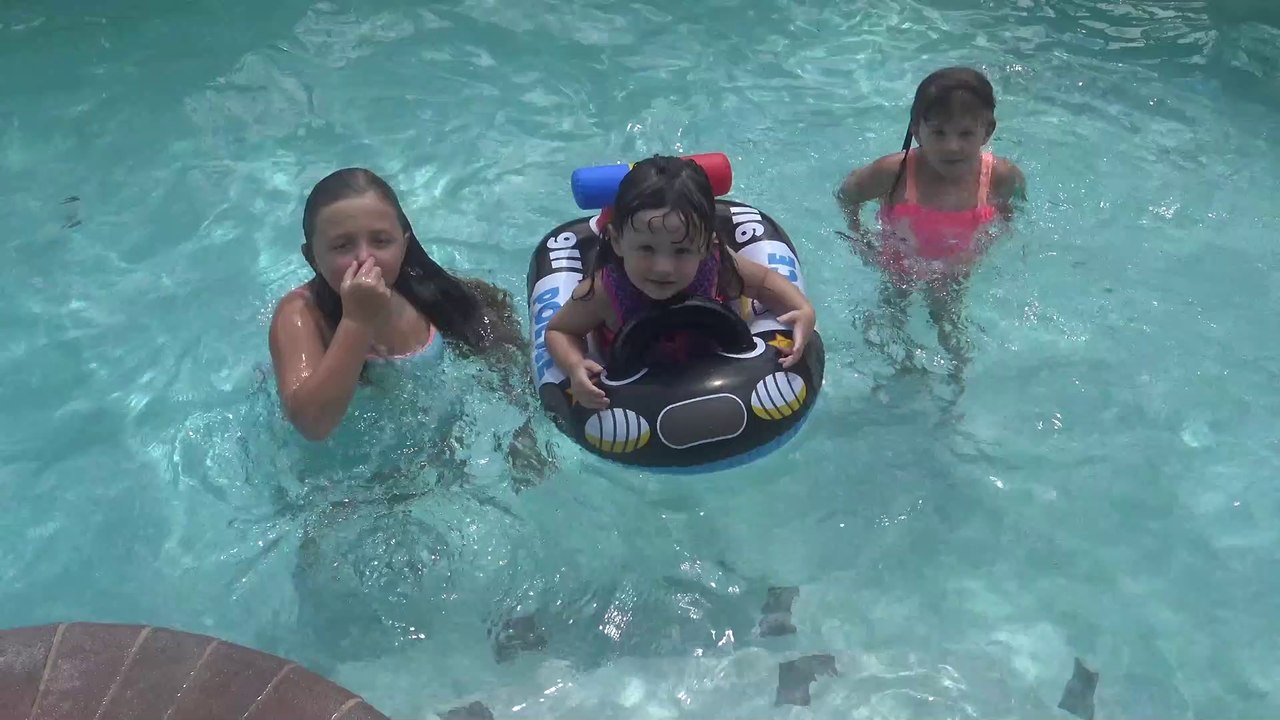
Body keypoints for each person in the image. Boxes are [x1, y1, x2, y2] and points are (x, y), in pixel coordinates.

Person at [268, 167, 525, 442]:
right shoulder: (300, 315)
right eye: (342, 246)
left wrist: (521, 436)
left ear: (403, 245)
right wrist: (357, 321)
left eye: (381, 241)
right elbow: (312, 425)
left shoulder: (427, 290)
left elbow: (506, 359)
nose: (366, 258)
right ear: (312, 258)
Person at [545, 155, 817, 410]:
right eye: (646, 249)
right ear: (616, 241)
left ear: (705, 247)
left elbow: (763, 282)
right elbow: (560, 331)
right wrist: (574, 365)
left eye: (682, 251)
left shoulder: (716, 265)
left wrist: (803, 311)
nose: (663, 268)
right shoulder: (604, 291)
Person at [835, 66, 1026, 386]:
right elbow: (847, 196)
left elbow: (1014, 210)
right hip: (899, 263)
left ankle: (957, 380)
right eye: (939, 133)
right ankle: (898, 373)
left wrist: (988, 248)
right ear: (917, 129)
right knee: (890, 315)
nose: (952, 146)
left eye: (965, 133)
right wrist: (861, 238)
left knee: (948, 323)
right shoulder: (893, 171)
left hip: (955, 270)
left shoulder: (1000, 177)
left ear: (987, 131)